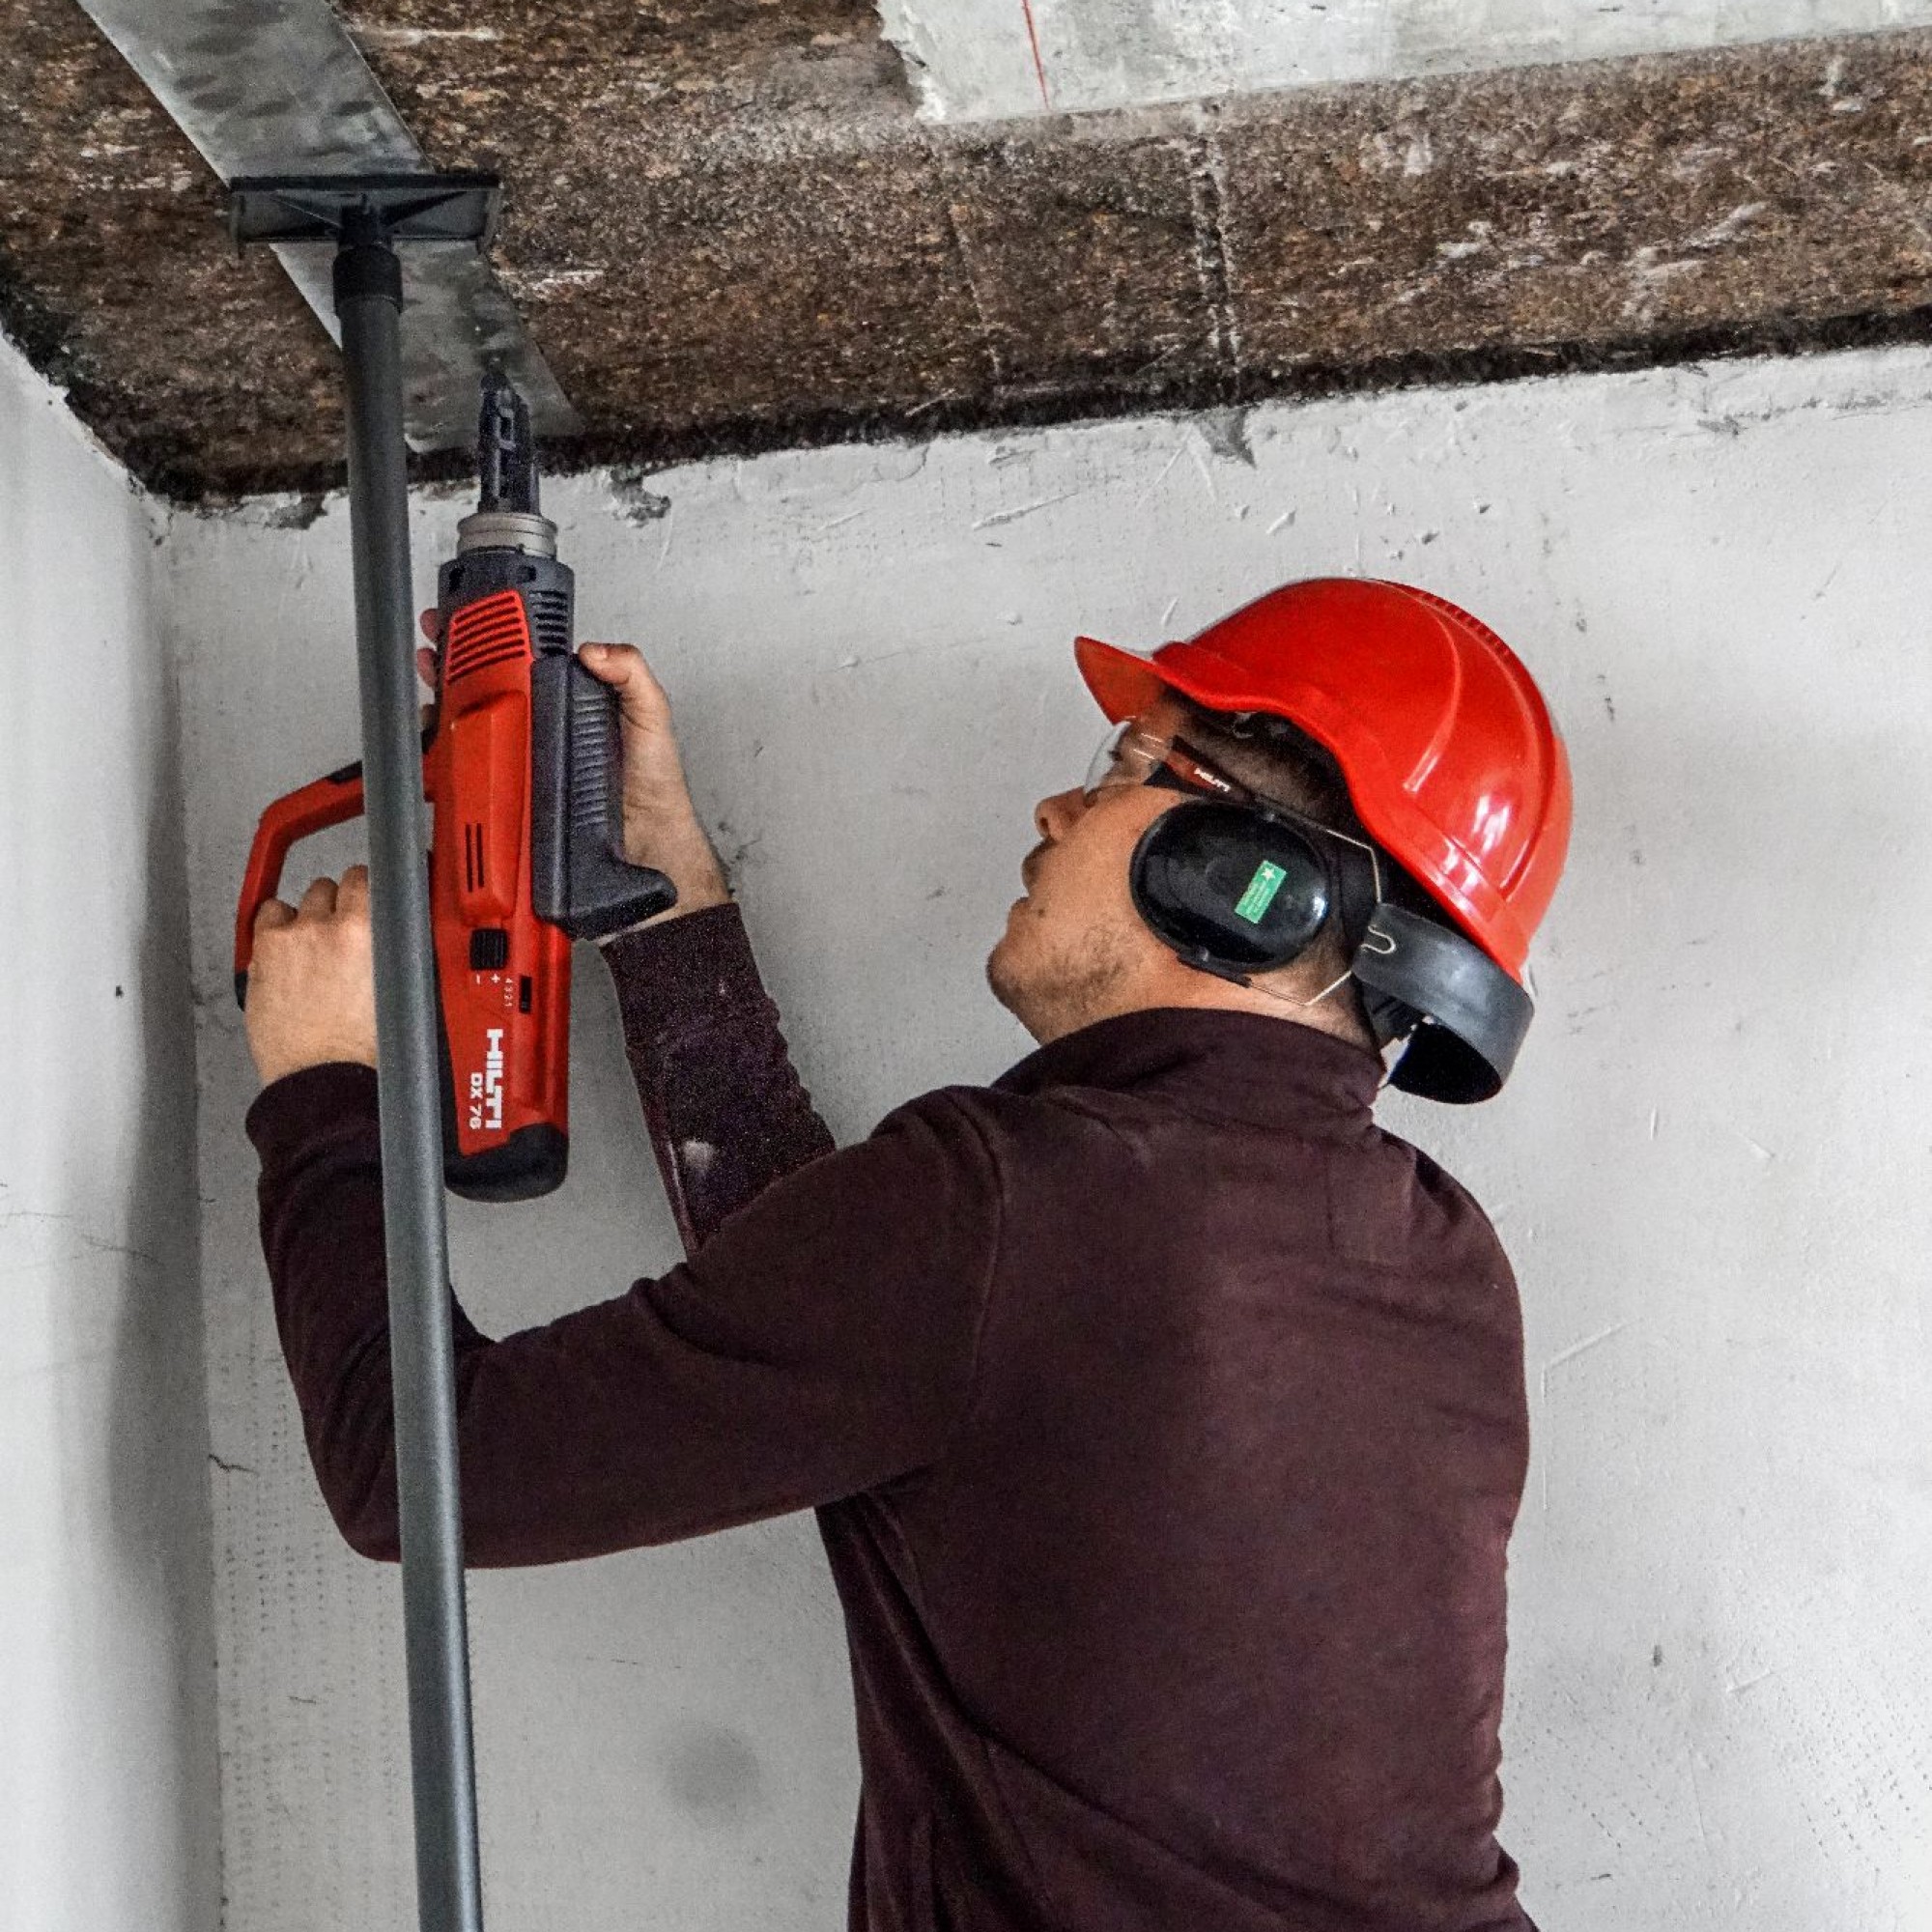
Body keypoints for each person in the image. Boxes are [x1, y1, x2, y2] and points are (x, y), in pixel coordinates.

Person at [243, 575, 1573, 1932]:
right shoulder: (1450, 1267)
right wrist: (664, 902)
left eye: (1123, 769)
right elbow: (859, 1320)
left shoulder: (1004, 1207)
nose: (1058, 811)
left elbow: (419, 1470)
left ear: (1249, 882)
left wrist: (324, 1090)